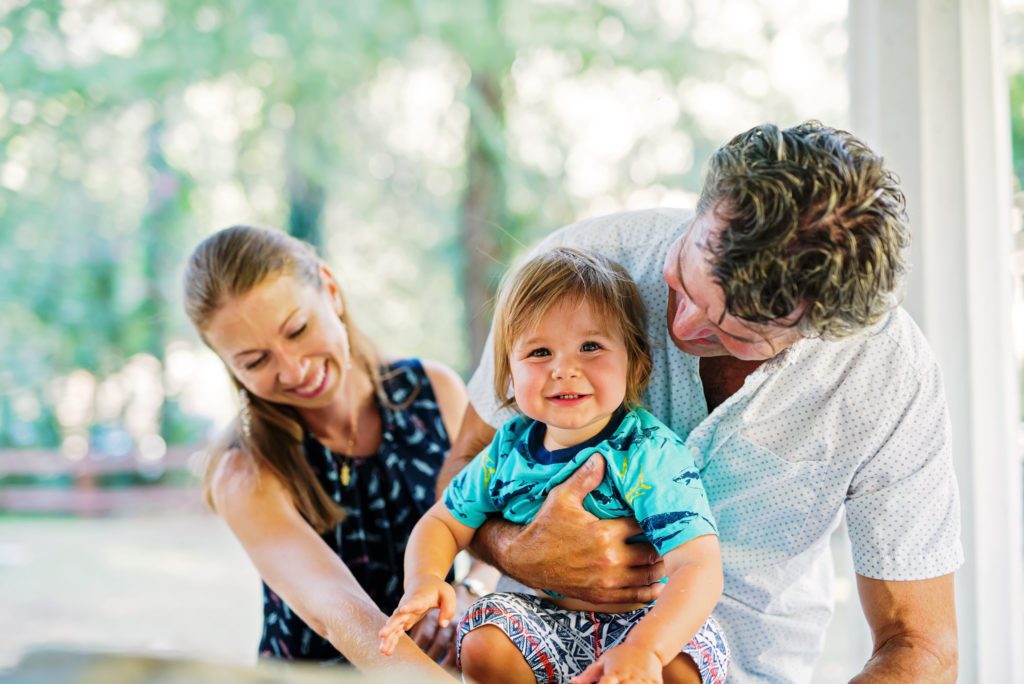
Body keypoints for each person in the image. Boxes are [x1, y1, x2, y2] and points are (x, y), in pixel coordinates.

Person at [438, 121, 962, 683]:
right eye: (684, 279)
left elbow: (920, 644)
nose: (683, 327)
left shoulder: (885, 374)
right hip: (543, 654)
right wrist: (516, 550)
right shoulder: (575, 273)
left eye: (732, 333)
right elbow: (463, 466)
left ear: (819, 330)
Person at [379, 247, 729, 684]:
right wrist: (425, 579)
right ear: (509, 373)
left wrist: (646, 649)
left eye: (590, 346)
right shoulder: (507, 450)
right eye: (540, 352)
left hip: (646, 623)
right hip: (547, 625)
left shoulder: (648, 450)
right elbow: (443, 523)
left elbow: (698, 566)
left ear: (634, 360)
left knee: (685, 660)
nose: (564, 369)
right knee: (483, 637)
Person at [182, 225, 485, 674]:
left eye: (297, 330)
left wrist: (470, 592)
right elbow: (337, 609)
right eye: (255, 361)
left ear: (330, 289)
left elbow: (494, 524)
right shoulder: (245, 469)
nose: (294, 370)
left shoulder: (435, 391)